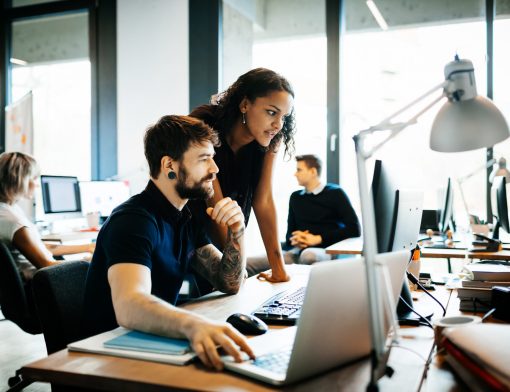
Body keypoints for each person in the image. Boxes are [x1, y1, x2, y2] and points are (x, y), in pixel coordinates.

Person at [83, 115, 254, 370]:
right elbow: (129, 305)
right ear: (169, 165)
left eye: (213, 158)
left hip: (151, 343)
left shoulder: (184, 216)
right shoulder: (133, 221)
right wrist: (193, 324)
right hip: (109, 359)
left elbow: (228, 282)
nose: (214, 169)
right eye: (204, 159)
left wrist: (237, 231)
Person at [190, 68, 295, 283]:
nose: (278, 125)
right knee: (228, 291)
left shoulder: (270, 140)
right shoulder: (202, 124)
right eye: (272, 112)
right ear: (245, 104)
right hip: (192, 232)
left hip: (229, 231)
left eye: (284, 117)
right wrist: (235, 267)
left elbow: (263, 200)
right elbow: (215, 204)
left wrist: (279, 270)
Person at [0, 152, 95, 281]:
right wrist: (87, 262)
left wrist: (87, 248)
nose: (37, 184)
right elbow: (47, 265)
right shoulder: (14, 221)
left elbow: (40, 246)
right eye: (34, 178)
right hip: (46, 287)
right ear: (20, 179)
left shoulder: (8, 209)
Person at [284, 154, 360, 264]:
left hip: (325, 249)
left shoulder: (335, 193)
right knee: (253, 262)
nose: (295, 174)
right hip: (297, 249)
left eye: (299, 170)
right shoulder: (295, 197)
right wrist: (295, 239)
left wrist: (318, 239)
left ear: (313, 172)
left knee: (308, 255)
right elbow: (289, 234)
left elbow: (354, 229)